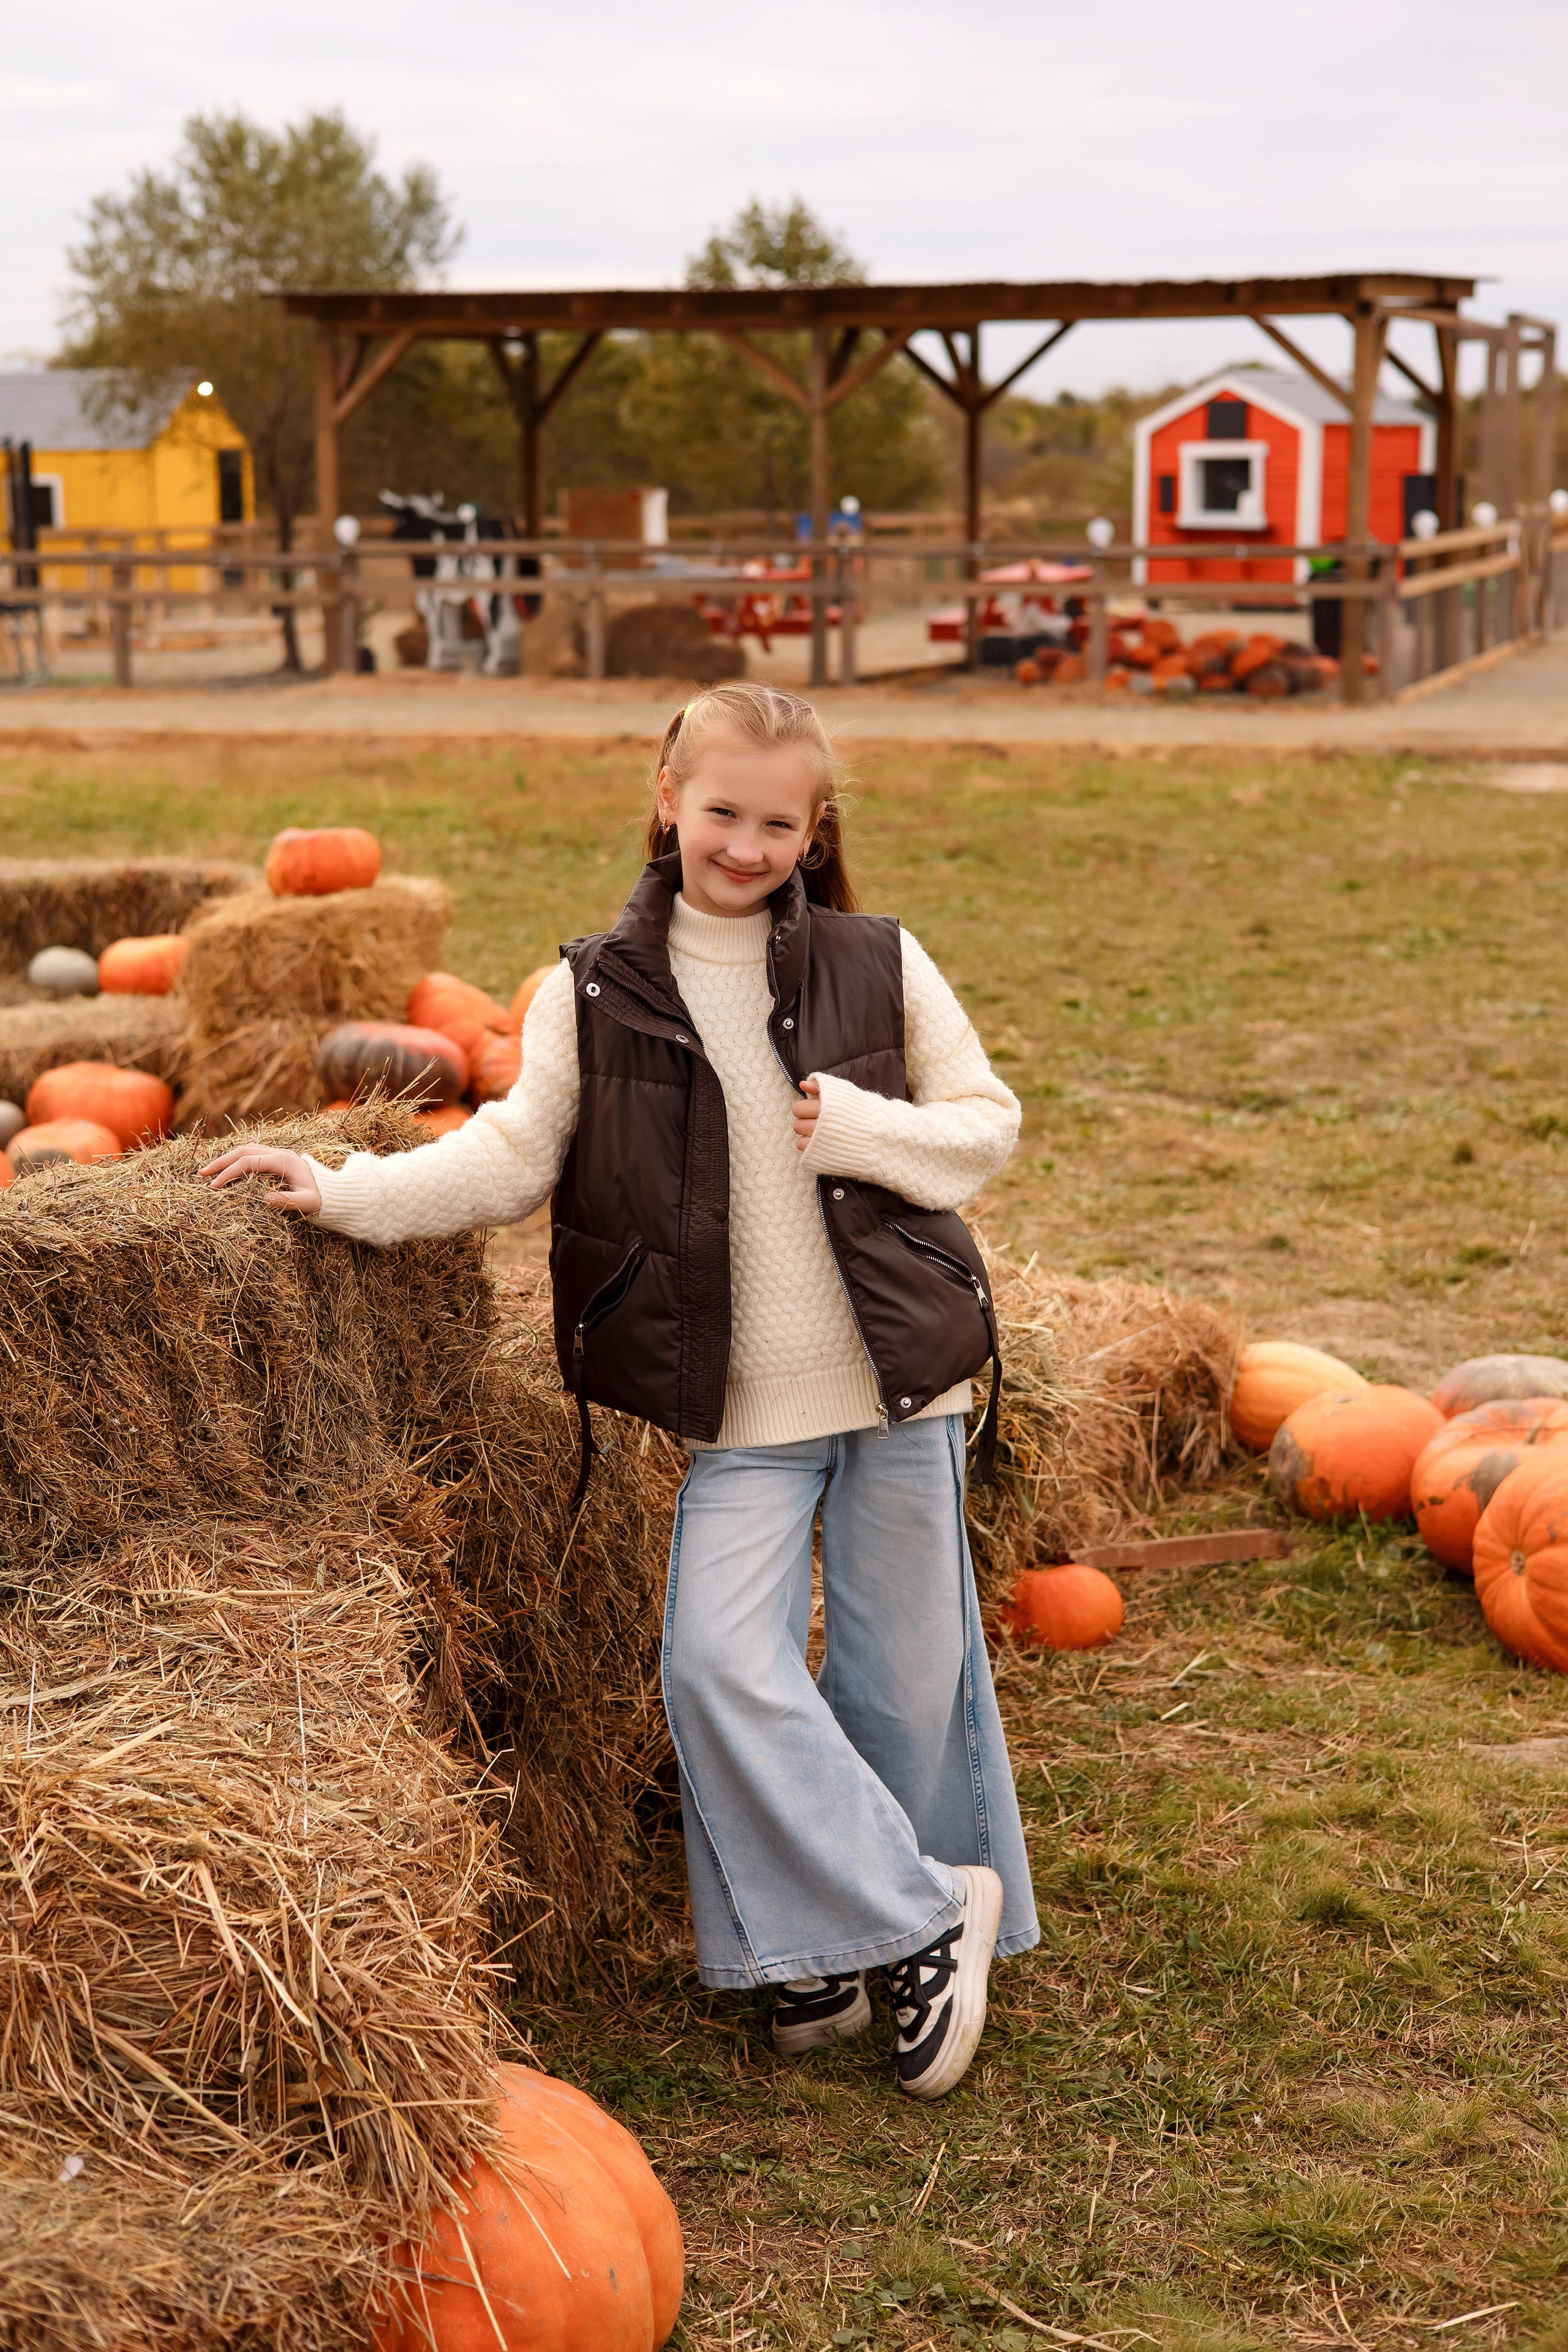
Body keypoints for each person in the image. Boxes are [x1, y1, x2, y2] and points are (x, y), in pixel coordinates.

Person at [203, 682, 1038, 2100]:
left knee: (901, 1688)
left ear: (812, 827)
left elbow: (983, 1133)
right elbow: (515, 1159)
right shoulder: (591, 988)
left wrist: (857, 1125)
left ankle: (833, 1958)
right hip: (738, 1415)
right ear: (667, 798)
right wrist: (345, 1193)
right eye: (721, 811)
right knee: (716, 1664)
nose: (745, 843)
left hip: (896, 1388)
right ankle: (913, 1914)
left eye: (778, 821)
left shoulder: (877, 961)